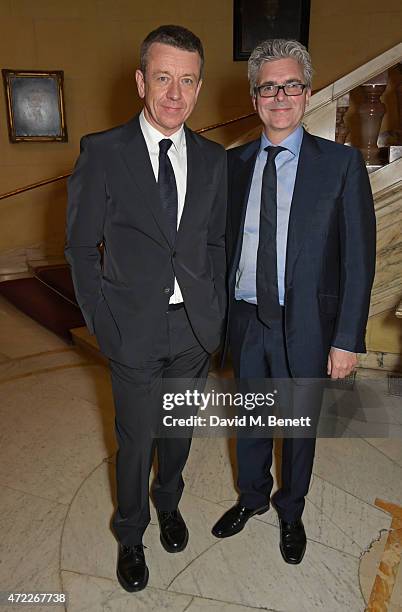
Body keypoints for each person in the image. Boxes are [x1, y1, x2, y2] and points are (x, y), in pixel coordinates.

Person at [65, 25, 227, 592]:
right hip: (130, 328)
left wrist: (214, 313)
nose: (175, 94)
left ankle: (169, 503)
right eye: (163, 78)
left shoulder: (212, 159)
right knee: (136, 438)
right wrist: (102, 325)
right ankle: (131, 532)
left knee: (178, 429)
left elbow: (214, 244)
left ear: (199, 87)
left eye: (187, 81)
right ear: (141, 81)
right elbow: (82, 249)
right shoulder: (102, 152)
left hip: (192, 329)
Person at [212, 39, 376, 564]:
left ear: (307, 93)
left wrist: (347, 339)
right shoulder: (232, 165)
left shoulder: (342, 166)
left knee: (299, 428)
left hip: (307, 323)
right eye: (268, 87)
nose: (279, 96)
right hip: (245, 318)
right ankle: (253, 497)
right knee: (251, 419)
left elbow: (358, 260)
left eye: (291, 85)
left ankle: (291, 510)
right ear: (254, 96)